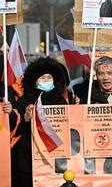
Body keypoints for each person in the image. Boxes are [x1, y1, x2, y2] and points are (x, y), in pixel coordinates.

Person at [12, 57, 69, 187]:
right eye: (42, 78)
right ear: (34, 81)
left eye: (49, 77)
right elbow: (15, 130)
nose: (46, 80)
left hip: (56, 157)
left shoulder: (60, 101)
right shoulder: (23, 101)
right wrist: (26, 120)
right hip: (28, 158)